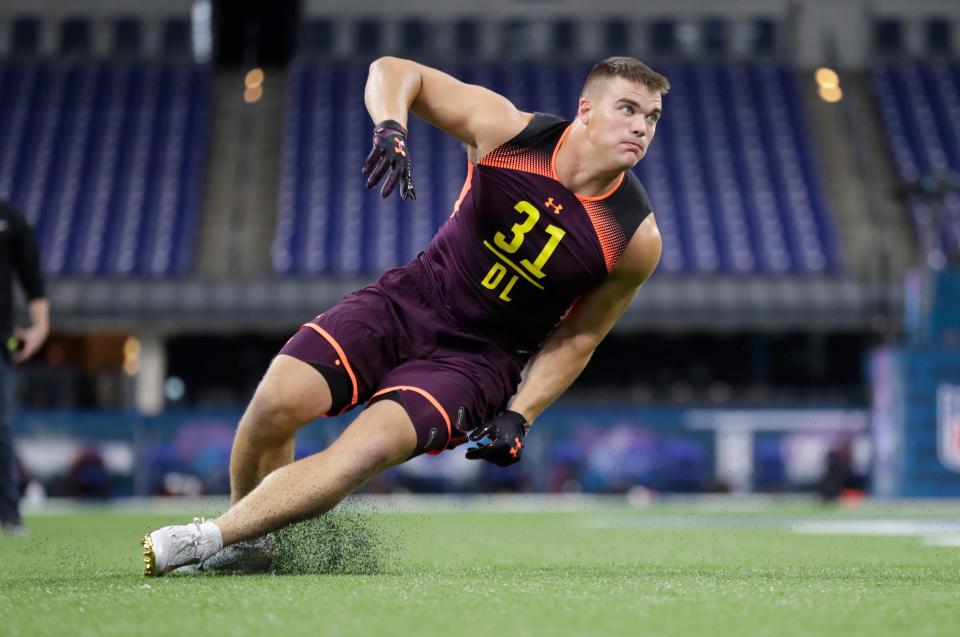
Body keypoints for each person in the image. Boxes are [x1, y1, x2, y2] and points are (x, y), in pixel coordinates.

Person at [141, 56, 668, 575]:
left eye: (651, 117)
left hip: (477, 363)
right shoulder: (509, 132)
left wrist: (519, 414)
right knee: (275, 404)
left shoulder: (636, 240)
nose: (641, 127)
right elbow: (394, 70)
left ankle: (207, 538)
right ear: (586, 110)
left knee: (364, 450)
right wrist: (390, 127)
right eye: (628, 109)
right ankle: (249, 547)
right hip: (409, 299)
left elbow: (580, 335)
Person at [0, 201, 49, 536]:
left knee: (0, 428)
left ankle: (9, 514)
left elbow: (30, 271)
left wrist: (40, 326)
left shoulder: (9, 218)